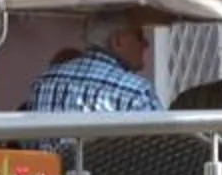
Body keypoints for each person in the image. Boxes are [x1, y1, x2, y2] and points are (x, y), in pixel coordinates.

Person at [24, 11, 163, 115]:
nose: (146, 44)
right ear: (118, 40)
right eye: (139, 36)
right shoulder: (136, 91)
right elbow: (163, 147)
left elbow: (28, 145)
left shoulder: (44, 83)